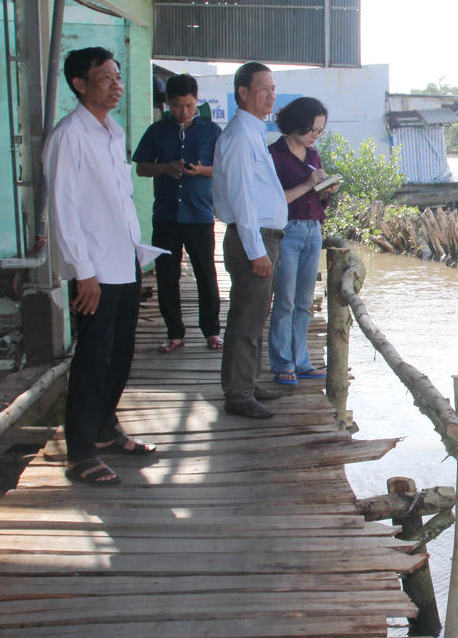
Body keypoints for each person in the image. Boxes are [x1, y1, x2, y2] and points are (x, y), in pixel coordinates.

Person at [43, 47, 161, 486]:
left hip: (124, 261)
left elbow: (119, 201)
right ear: (79, 84)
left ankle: (105, 430)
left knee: (119, 354)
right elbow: (63, 208)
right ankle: (79, 452)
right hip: (94, 270)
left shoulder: (111, 132)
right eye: (105, 78)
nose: (116, 84)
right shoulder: (70, 135)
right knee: (92, 358)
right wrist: (83, 270)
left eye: (117, 76)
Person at [212, 62, 288, 419]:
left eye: (273, 88)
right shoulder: (241, 137)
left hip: (262, 238)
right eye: (263, 88)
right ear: (243, 92)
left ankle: (248, 382)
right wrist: (256, 251)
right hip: (252, 239)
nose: (271, 95)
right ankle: (239, 394)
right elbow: (243, 200)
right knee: (246, 318)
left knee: (256, 316)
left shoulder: (254, 132)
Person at [132, 74, 223, 353]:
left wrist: (200, 171)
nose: (183, 112)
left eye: (189, 105)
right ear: (167, 103)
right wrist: (163, 168)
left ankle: (211, 331)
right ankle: (174, 333)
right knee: (166, 276)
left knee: (206, 274)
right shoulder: (156, 131)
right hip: (166, 215)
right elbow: (141, 168)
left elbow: (223, 168)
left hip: (199, 214)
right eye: (176, 106)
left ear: (197, 100)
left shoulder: (212, 131)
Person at [268, 97, 337, 386]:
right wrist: (308, 185)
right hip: (287, 230)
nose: (315, 136)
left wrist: (325, 191)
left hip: (313, 230)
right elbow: (274, 201)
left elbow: (315, 195)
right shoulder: (273, 154)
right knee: (284, 300)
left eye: (320, 131)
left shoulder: (313, 155)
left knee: (304, 302)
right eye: (311, 129)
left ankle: (302, 361)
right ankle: (283, 362)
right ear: (296, 123)